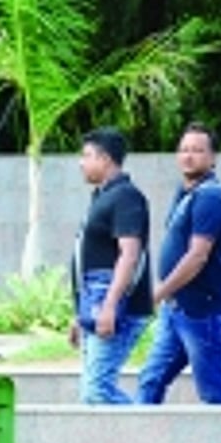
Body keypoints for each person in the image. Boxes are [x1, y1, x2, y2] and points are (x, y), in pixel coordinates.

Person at [137, 122, 221, 404]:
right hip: (176, 309)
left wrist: (158, 293)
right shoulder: (187, 192)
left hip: (201, 313)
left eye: (197, 150)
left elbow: (197, 256)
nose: (189, 156)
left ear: (213, 157)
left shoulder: (210, 198)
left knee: (213, 393)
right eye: (184, 150)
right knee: (151, 380)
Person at [68, 127, 153, 404]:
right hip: (97, 307)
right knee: (91, 394)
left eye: (86, 156)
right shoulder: (103, 197)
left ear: (105, 159)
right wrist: (80, 314)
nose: (81, 163)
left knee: (97, 392)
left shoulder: (126, 197)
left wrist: (109, 307)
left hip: (119, 310)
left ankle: (151, 436)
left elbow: (130, 254)